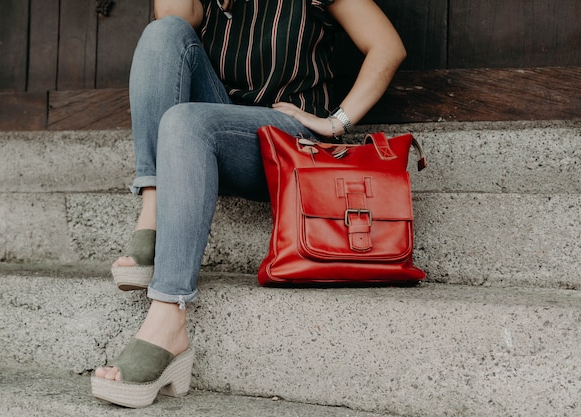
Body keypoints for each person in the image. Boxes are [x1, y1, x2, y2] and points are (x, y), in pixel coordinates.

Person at [91, 0, 406, 408]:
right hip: (220, 132)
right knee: (163, 32)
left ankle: (168, 317)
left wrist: (335, 123)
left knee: (186, 121)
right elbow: (175, 19)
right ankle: (153, 210)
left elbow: (387, 47)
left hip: (290, 143)